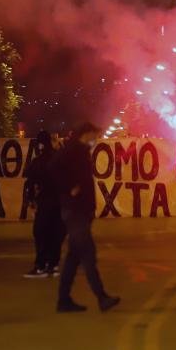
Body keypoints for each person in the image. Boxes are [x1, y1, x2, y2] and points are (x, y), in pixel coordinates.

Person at [54, 122, 120, 313]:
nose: (96, 139)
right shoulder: (72, 149)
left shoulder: (80, 150)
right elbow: (53, 168)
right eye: (95, 135)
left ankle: (63, 300)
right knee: (88, 254)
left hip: (80, 211)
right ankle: (102, 297)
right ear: (87, 133)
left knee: (73, 258)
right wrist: (69, 188)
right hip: (76, 212)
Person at [23, 130, 66, 278]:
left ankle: (41, 266)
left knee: (41, 233)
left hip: (45, 202)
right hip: (60, 203)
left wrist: (31, 201)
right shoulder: (60, 159)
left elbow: (30, 182)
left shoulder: (38, 161)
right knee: (56, 234)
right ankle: (53, 265)